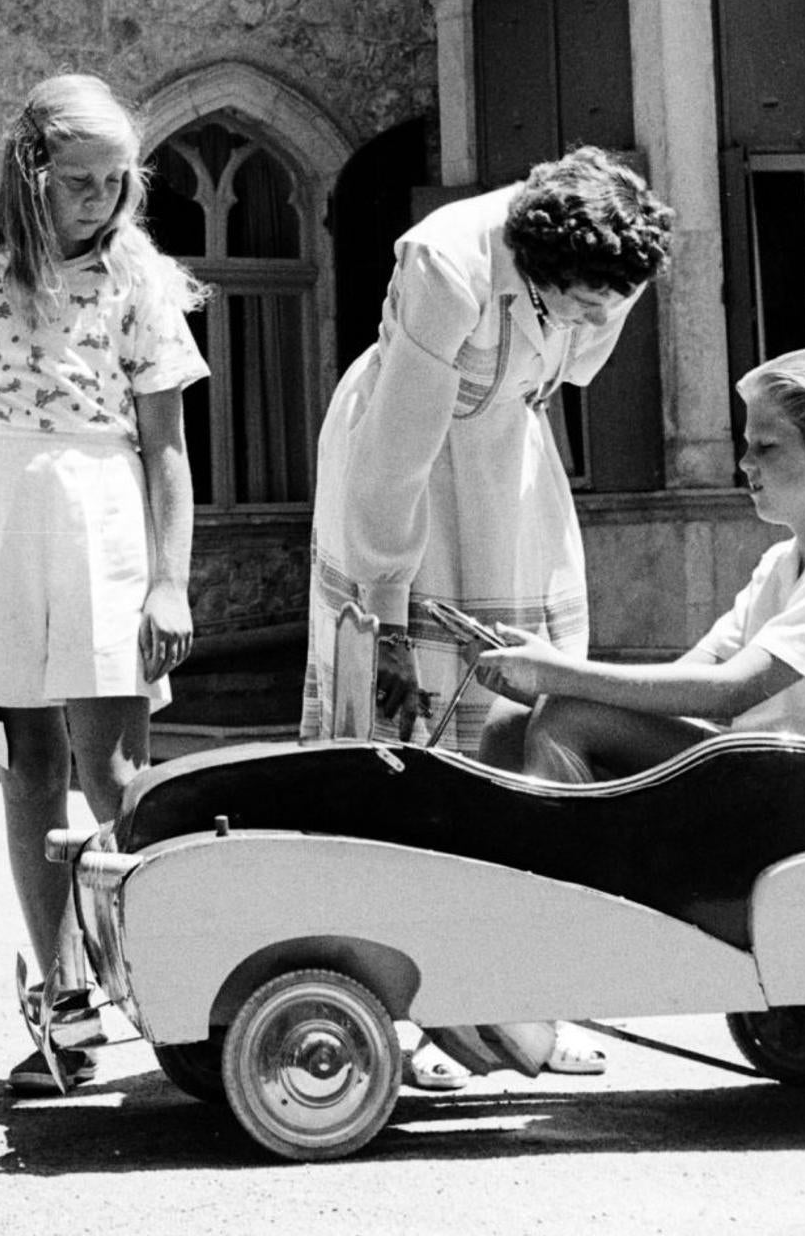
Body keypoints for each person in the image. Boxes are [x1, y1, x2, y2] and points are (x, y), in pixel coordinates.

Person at [300, 145, 673, 1084]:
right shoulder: (446, 262)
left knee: (521, 730)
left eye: (611, 304)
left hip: (508, 472)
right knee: (404, 738)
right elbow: (396, 450)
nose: (601, 319)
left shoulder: (617, 252)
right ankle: (408, 1012)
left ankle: (519, 998)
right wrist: (384, 616)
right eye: (583, 303)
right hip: (408, 478)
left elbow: (564, 372)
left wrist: (589, 316)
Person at [0, 74, 208, 1096]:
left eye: (117, 181)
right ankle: (63, 996)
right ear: (30, 175)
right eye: (79, 180)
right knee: (25, 761)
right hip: (1, 525)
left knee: (114, 769)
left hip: (102, 519)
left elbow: (168, 454)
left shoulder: (142, 284)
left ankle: (164, 982)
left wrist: (170, 583)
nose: (100, 198)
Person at [474, 348, 805, 782]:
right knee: (512, 716)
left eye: (765, 446)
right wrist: (544, 680)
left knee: (570, 715)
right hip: (785, 774)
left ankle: (567, 852)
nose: (745, 463)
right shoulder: (781, 564)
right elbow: (694, 674)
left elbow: (733, 691)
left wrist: (560, 675)